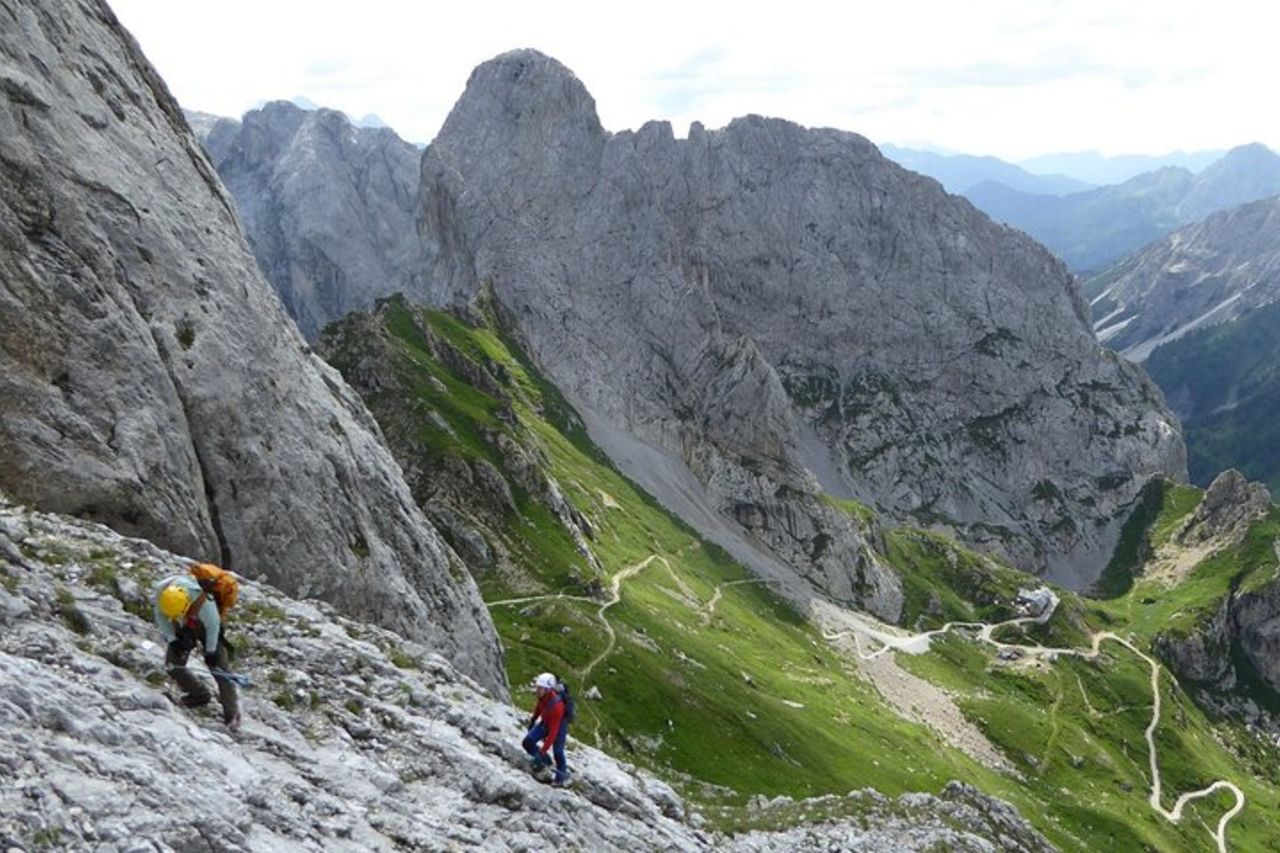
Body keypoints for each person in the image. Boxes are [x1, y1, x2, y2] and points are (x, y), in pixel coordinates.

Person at [153, 571, 241, 731]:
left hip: (206, 626)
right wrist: (173, 641)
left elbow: (213, 626)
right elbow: (161, 617)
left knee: (219, 668)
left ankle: (232, 713)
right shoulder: (163, 593)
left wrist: (211, 652)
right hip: (183, 622)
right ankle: (199, 694)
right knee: (173, 665)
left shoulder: (204, 604)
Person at [522, 672, 570, 787]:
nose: (537, 690)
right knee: (527, 742)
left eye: (540, 688)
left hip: (558, 727)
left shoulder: (558, 707)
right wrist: (533, 719)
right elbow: (540, 707)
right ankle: (545, 762)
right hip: (546, 722)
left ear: (548, 689)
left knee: (558, 752)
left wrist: (542, 751)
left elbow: (553, 733)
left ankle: (561, 777)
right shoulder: (542, 697)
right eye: (537, 687)